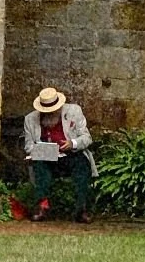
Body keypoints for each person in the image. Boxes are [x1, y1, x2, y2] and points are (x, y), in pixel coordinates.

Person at [24, 87, 97, 222]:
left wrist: (72, 143)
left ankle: (82, 208)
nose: (50, 114)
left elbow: (87, 138)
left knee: (82, 165)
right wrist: (44, 150)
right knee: (39, 165)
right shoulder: (30, 119)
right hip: (46, 158)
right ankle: (42, 206)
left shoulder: (74, 111)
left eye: (53, 111)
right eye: (46, 112)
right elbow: (28, 146)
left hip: (71, 155)